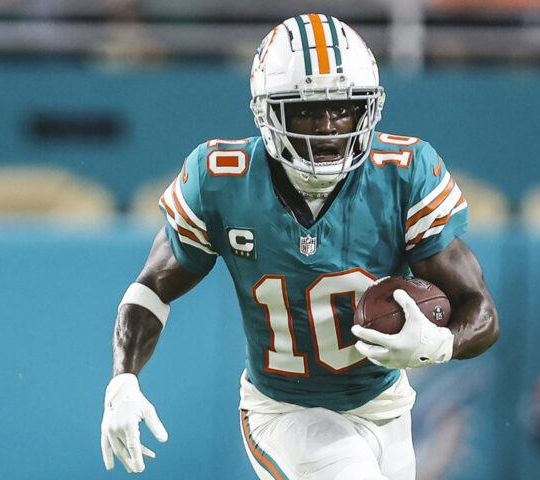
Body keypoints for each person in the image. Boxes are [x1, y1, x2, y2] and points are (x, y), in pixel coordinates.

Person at [100, 14, 499, 479]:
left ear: (368, 108)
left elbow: (480, 310)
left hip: (387, 404)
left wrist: (438, 344)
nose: (328, 127)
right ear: (268, 112)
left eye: (344, 108)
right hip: (284, 412)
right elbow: (152, 289)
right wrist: (123, 381)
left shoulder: (402, 174)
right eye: (307, 110)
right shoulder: (221, 179)